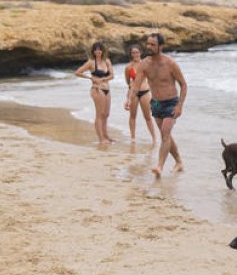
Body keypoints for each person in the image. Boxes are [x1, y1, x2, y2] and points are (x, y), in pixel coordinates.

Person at [128, 32, 185, 177]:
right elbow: (136, 85)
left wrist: (180, 105)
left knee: (165, 135)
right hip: (156, 104)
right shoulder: (144, 64)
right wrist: (129, 99)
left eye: (153, 44)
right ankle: (179, 161)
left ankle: (159, 166)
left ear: (161, 46)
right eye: (148, 44)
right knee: (166, 135)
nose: (149, 46)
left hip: (171, 102)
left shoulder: (170, 63)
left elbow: (183, 85)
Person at [75, 41, 116, 143]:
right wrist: (90, 77)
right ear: (93, 51)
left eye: (100, 49)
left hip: (107, 89)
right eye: (96, 50)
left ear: (103, 51)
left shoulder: (107, 61)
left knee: (106, 114)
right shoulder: (91, 62)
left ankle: (106, 136)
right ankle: (101, 138)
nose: (98, 51)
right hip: (97, 89)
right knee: (100, 114)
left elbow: (112, 76)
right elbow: (78, 72)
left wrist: (102, 80)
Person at [123, 44, 157, 143]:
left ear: (140, 53)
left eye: (137, 52)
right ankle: (133, 138)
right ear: (131, 54)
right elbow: (128, 82)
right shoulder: (128, 67)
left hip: (145, 92)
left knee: (148, 117)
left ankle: (154, 138)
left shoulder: (146, 64)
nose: (135, 54)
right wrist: (128, 97)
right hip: (133, 93)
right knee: (133, 116)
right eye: (133, 53)